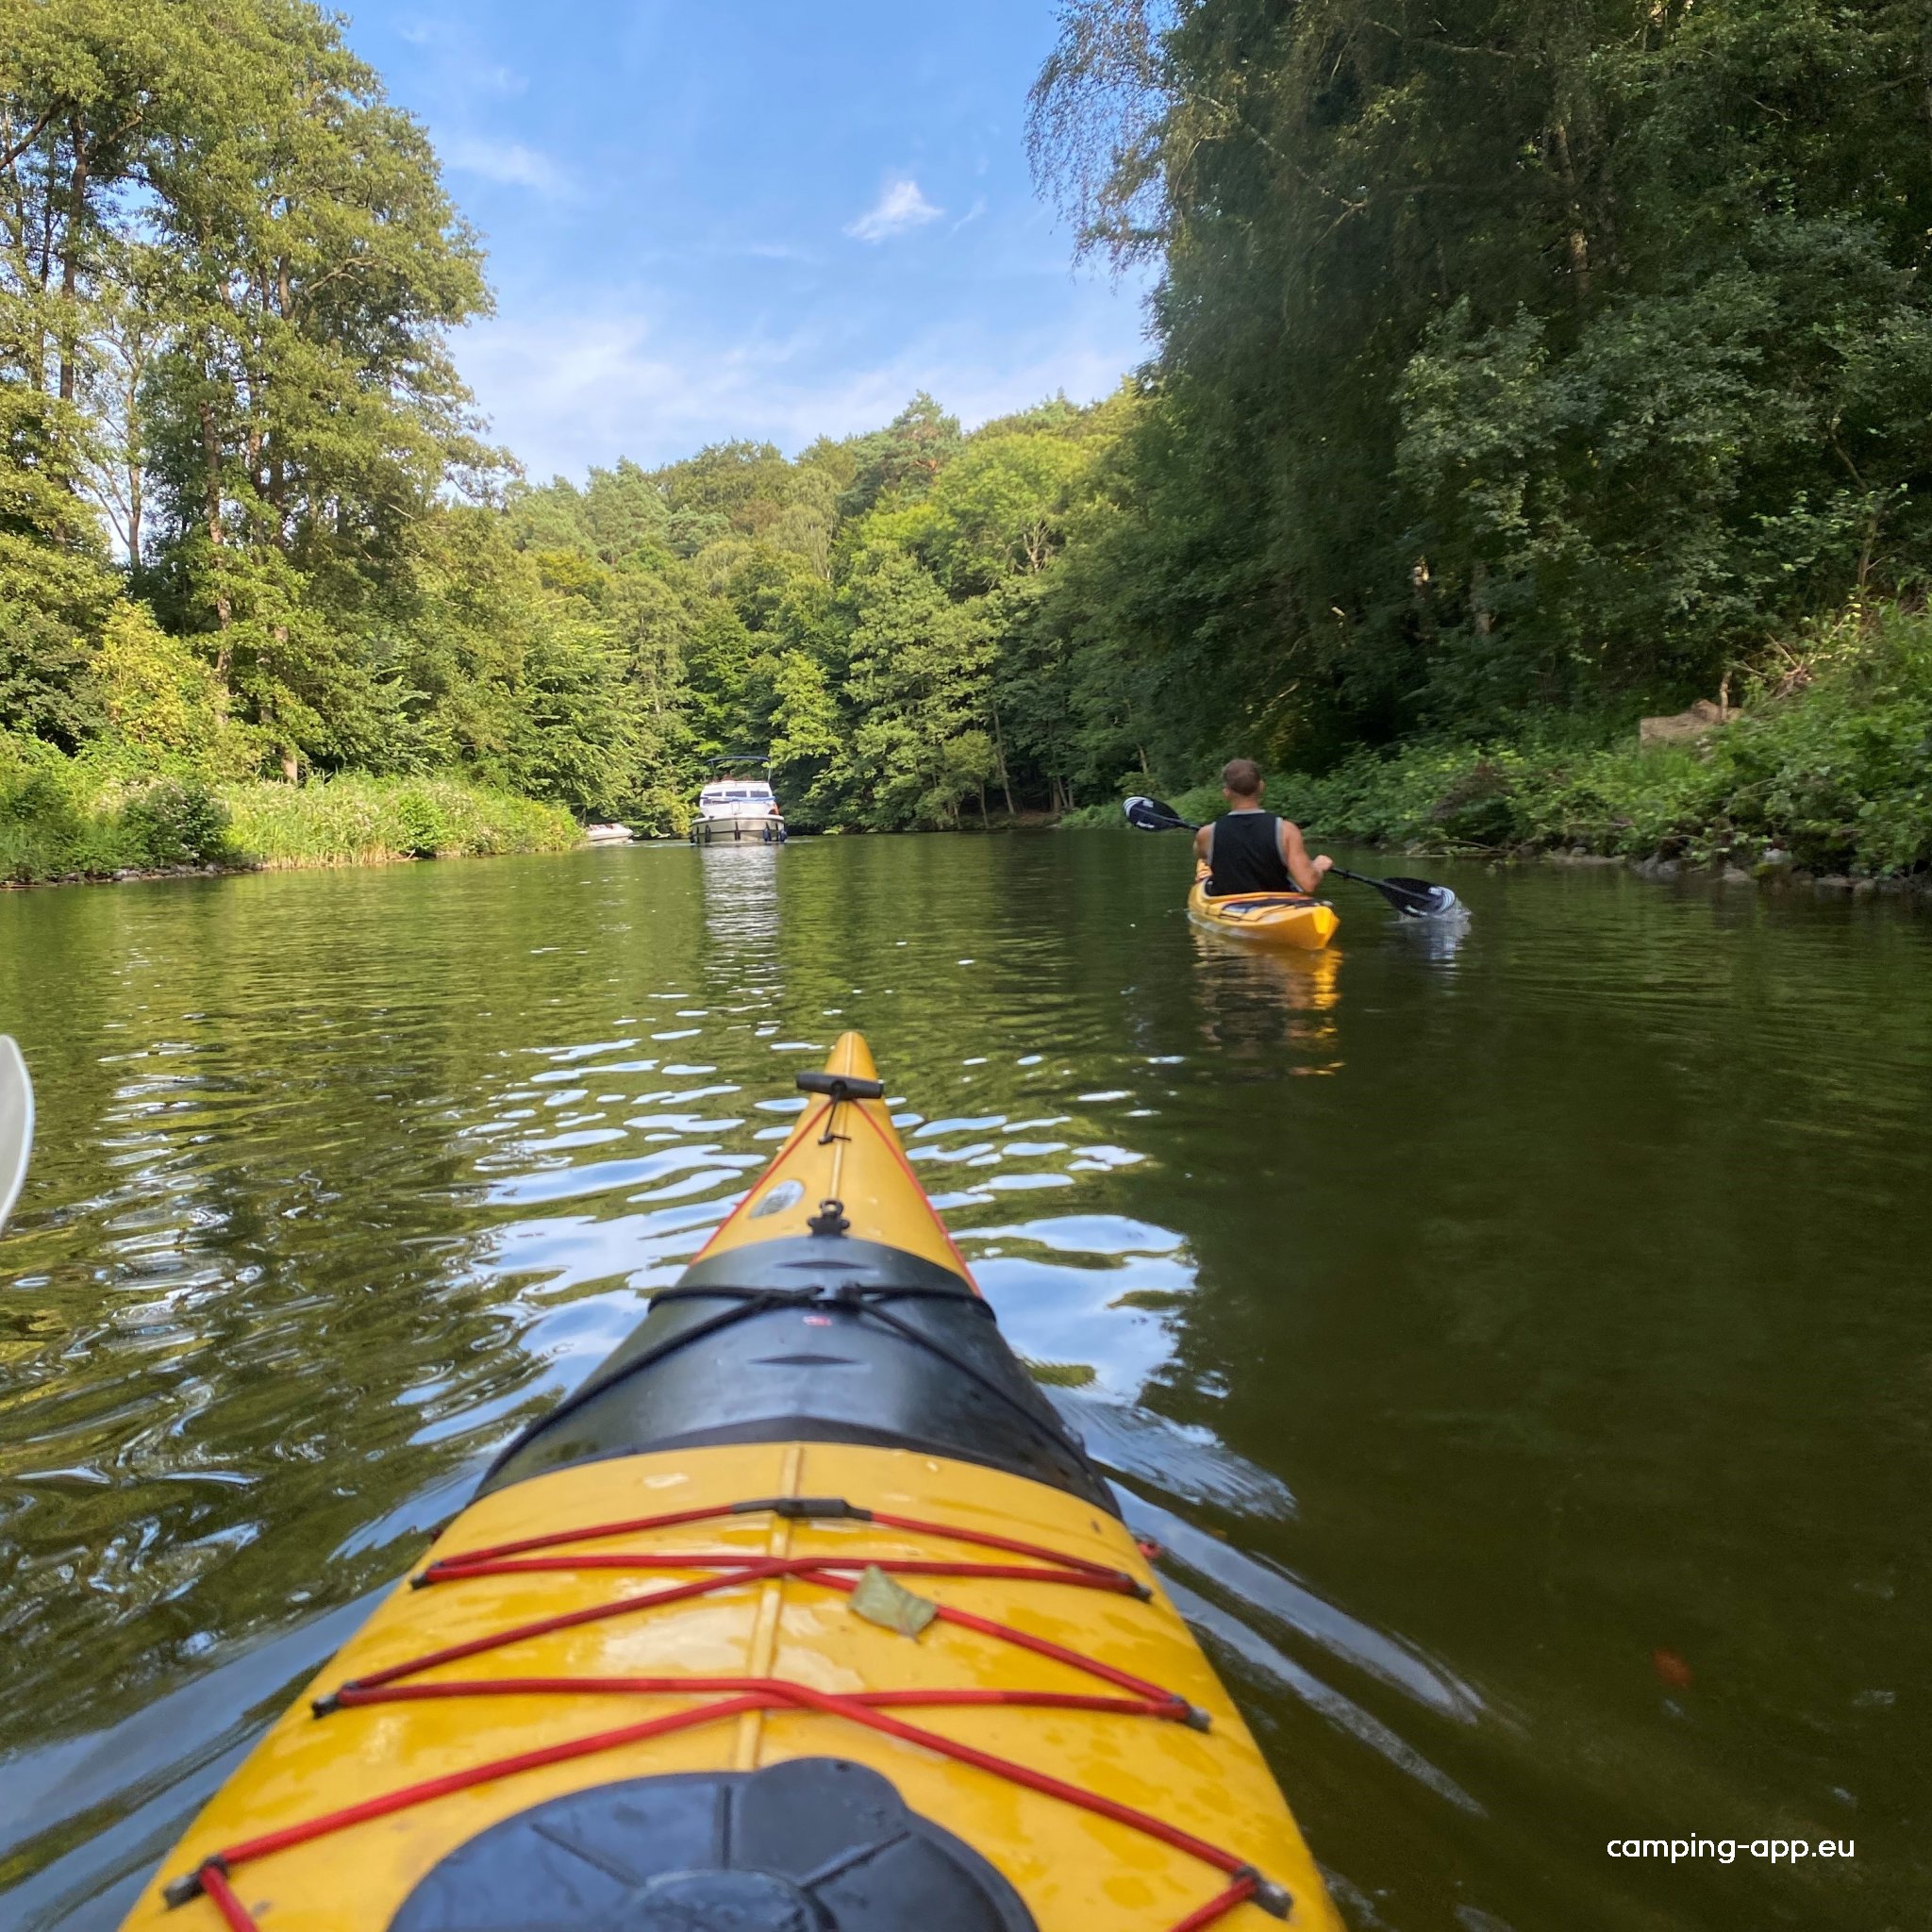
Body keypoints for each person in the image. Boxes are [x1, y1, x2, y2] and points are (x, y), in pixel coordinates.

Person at [1193, 758, 1333, 897]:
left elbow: (1203, 858)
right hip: (1276, 905)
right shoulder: (1286, 830)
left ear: (1226, 792)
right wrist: (1318, 866)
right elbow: (1308, 883)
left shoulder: (1206, 834)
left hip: (1225, 905)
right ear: (1261, 786)